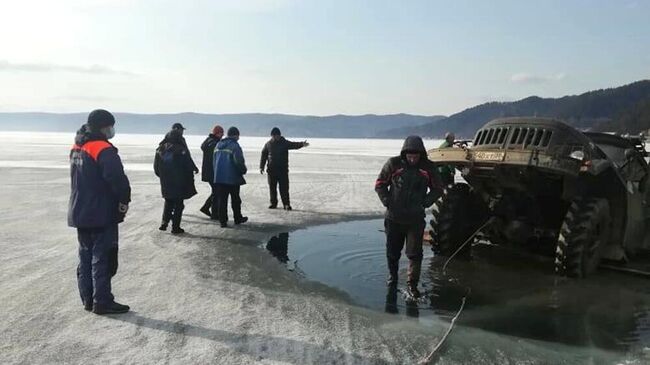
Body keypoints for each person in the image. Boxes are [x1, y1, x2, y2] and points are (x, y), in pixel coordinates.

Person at [68, 109, 131, 315]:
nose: (112, 130)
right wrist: (124, 200)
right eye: (111, 126)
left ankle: (88, 298)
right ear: (105, 126)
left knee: (85, 257)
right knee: (102, 257)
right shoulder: (103, 149)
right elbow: (117, 179)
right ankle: (102, 301)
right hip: (101, 211)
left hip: (80, 210)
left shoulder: (78, 146)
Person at [375, 135, 443, 299]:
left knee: (414, 253)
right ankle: (393, 276)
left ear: (421, 154)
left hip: (415, 219)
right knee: (392, 251)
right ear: (404, 153)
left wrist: (425, 202)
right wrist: (386, 201)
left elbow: (438, 188)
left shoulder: (428, 168)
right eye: (409, 155)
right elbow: (380, 184)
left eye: (416, 155)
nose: (412, 158)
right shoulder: (394, 164)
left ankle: (412, 284)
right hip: (394, 217)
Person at [154, 128, 198, 234]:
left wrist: (163, 177)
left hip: (166, 181)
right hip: (179, 181)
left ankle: (164, 223)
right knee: (179, 204)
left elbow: (156, 168)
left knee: (168, 201)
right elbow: (187, 165)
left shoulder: (160, 149)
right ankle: (175, 227)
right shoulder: (181, 149)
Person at [259, 127, 309, 210]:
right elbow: (263, 155)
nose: (276, 137)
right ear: (272, 136)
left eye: (277, 136)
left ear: (279, 135)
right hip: (271, 171)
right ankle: (273, 203)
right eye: (274, 136)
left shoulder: (284, 143)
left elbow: (294, 145)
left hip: (283, 170)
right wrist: (261, 167)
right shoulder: (268, 144)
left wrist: (302, 144)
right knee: (272, 188)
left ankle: (286, 204)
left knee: (284, 188)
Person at [213, 127, 248, 228]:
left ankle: (222, 221)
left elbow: (214, 161)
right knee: (235, 199)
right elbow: (238, 161)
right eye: (238, 136)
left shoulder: (218, 145)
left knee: (222, 200)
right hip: (232, 178)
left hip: (219, 177)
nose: (239, 138)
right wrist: (243, 170)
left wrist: (216, 174)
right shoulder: (234, 146)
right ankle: (237, 218)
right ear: (235, 135)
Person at [199, 125, 224, 219]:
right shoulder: (214, 143)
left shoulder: (208, 141)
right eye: (221, 133)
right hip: (212, 171)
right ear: (217, 133)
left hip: (207, 171)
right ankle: (212, 212)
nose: (222, 135)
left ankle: (209, 209)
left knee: (216, 191)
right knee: (217, 191)